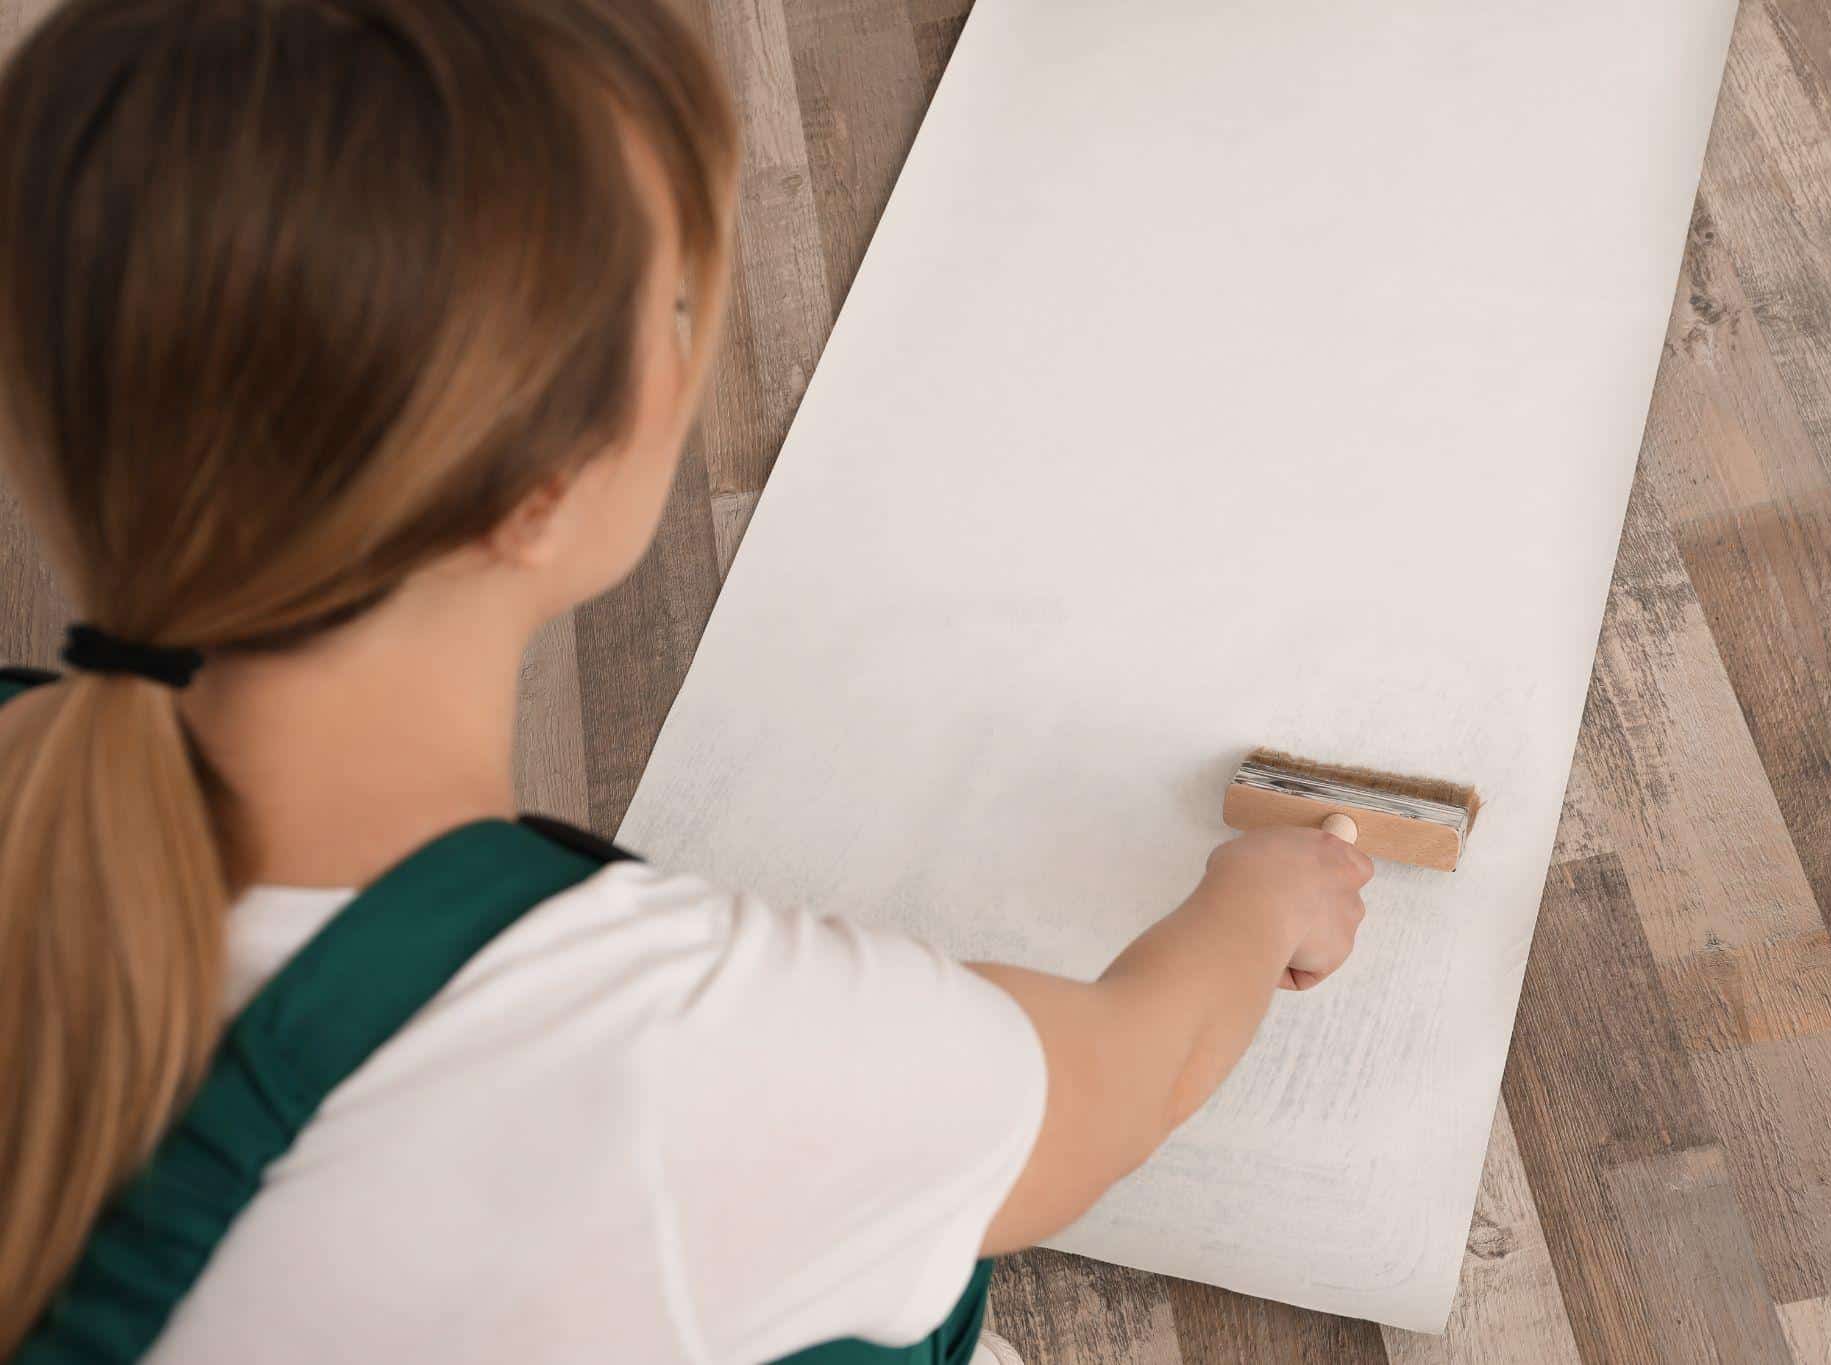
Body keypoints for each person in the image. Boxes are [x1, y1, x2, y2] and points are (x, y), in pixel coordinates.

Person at [0, 1, 1375, 1360]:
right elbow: (1125, 1081)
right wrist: (1260, 905)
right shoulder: (671, 1059)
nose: (689, 334)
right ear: (538, 495)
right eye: (669, 304)